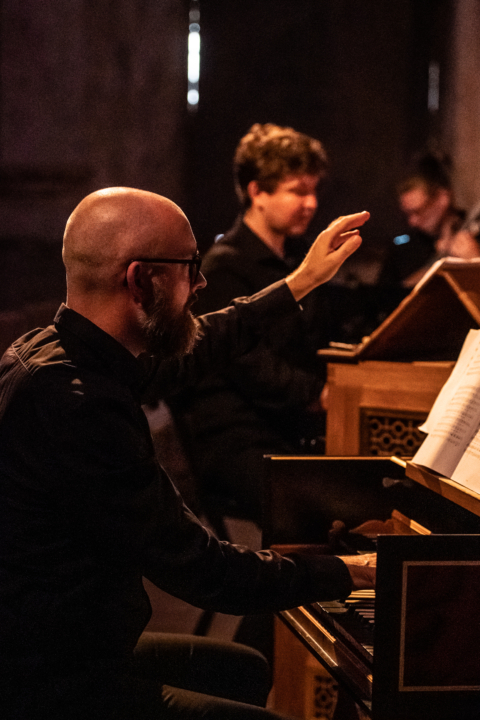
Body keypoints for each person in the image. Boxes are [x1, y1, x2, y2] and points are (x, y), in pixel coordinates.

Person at [0, 186, 373, 720]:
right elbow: (206, 572)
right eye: (189, 266)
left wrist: (300, 283)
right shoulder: (78, 405)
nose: (200, 283)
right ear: (140, 279)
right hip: (47, 678)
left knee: (243, 668)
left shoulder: (61, 350)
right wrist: (351, 571)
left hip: (65, 643)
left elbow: (198, 349)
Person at [167, 123, 333, 524]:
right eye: (297, 191)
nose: (310, 203)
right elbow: (253, 369)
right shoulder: (225, 265)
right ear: (257, 192)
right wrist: (324, 395)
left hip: (286, 427)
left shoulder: (295, 260)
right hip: (238, 439)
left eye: (313, 190)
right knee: (328, 504)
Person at [379, 152, 465, 293]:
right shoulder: (403, 246)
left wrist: (475, 259)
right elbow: (384, 298)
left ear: (443, 198)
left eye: (418, 211)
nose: (412, 221)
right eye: (408, 214)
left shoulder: (473, 230)